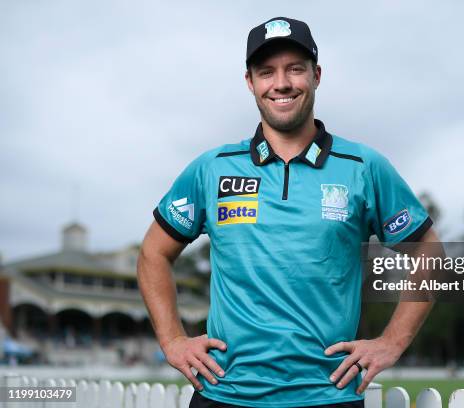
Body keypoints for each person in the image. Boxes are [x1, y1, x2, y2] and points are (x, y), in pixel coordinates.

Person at [137, 16, 439, 408]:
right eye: (267, 71)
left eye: (295, 69)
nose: (281, 83)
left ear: (316, 75)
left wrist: (392, 342)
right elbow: (153, 253)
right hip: (225, 394)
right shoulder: (212, 168)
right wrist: (173, 340)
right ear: (250, 82)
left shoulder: (363, 166)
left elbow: (430, 254)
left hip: (327, 396)